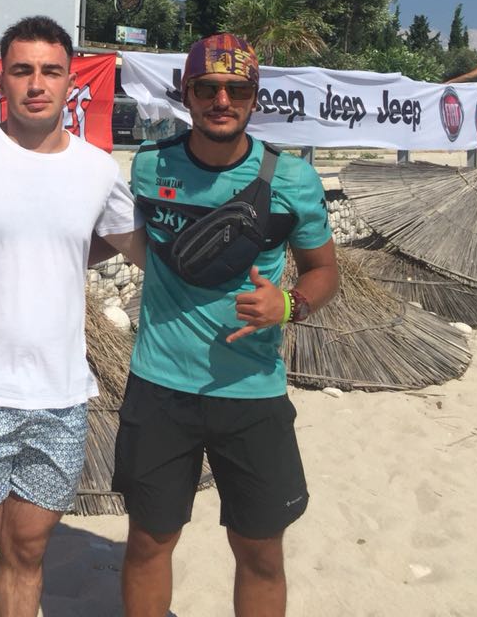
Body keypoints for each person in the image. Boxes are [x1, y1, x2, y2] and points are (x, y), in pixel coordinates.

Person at [0, 15, 144, 617]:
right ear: (0, 79)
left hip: (60, 397)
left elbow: (138, 245)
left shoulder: (98, 169)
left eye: (50, 71)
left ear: (71, 81)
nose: (36, 84)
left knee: (27, 554)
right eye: (22, 70)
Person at [115, 33, 340, 617]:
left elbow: (324, 272)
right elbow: (104, 231)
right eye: (208, 88)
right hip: (160, 385)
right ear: (187, 94)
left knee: (259, 550)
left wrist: (288, 305)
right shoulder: (149, 167)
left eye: (237, 89)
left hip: (253, 391)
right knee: (149, 542)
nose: (222, 100)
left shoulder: (293, 180)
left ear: (254, 97)